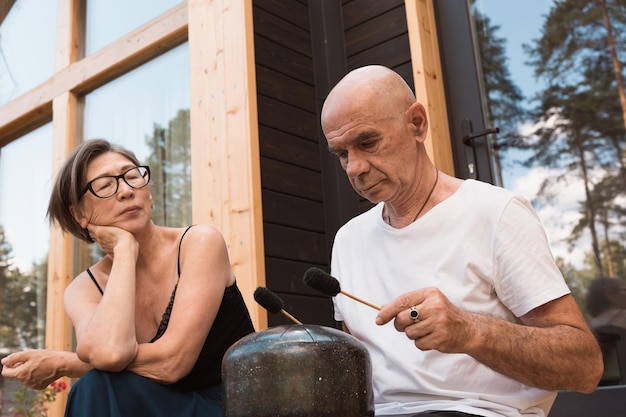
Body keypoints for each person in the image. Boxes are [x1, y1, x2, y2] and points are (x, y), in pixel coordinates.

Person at [320, 65, 603, 417]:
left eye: (367, 142)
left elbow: (585, 368)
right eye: (342, 153)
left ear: (417, 124)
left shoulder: (496, 213)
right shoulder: (348, 240)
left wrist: (470, 330)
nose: (354, 168)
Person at [1, 139, 255, 417]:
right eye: (105, 185)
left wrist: (65, 363)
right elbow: (108, 354)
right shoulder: (84, 289)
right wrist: (124, 253)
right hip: (154, 404)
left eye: (132, 177)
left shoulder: (199, 242)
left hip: (236, 405)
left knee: (99, 384)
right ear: (79, 214)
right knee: (96, 385)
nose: (125, 191)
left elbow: (171, 363)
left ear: (149, 194)